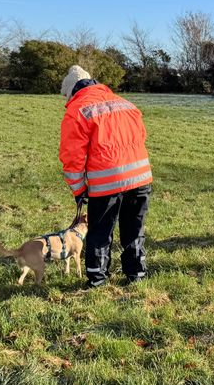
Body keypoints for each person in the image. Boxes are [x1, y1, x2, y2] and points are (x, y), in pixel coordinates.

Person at [59, 66, 153, 288]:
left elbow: (72, 156)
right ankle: (137, 273)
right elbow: (141, 137)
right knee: (134, 229)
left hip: (107, 182)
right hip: (141, 177)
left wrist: (79, 189)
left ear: (72, 91)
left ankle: (97, 277)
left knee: (100, 232)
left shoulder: (77, 110)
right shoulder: (125, 103)